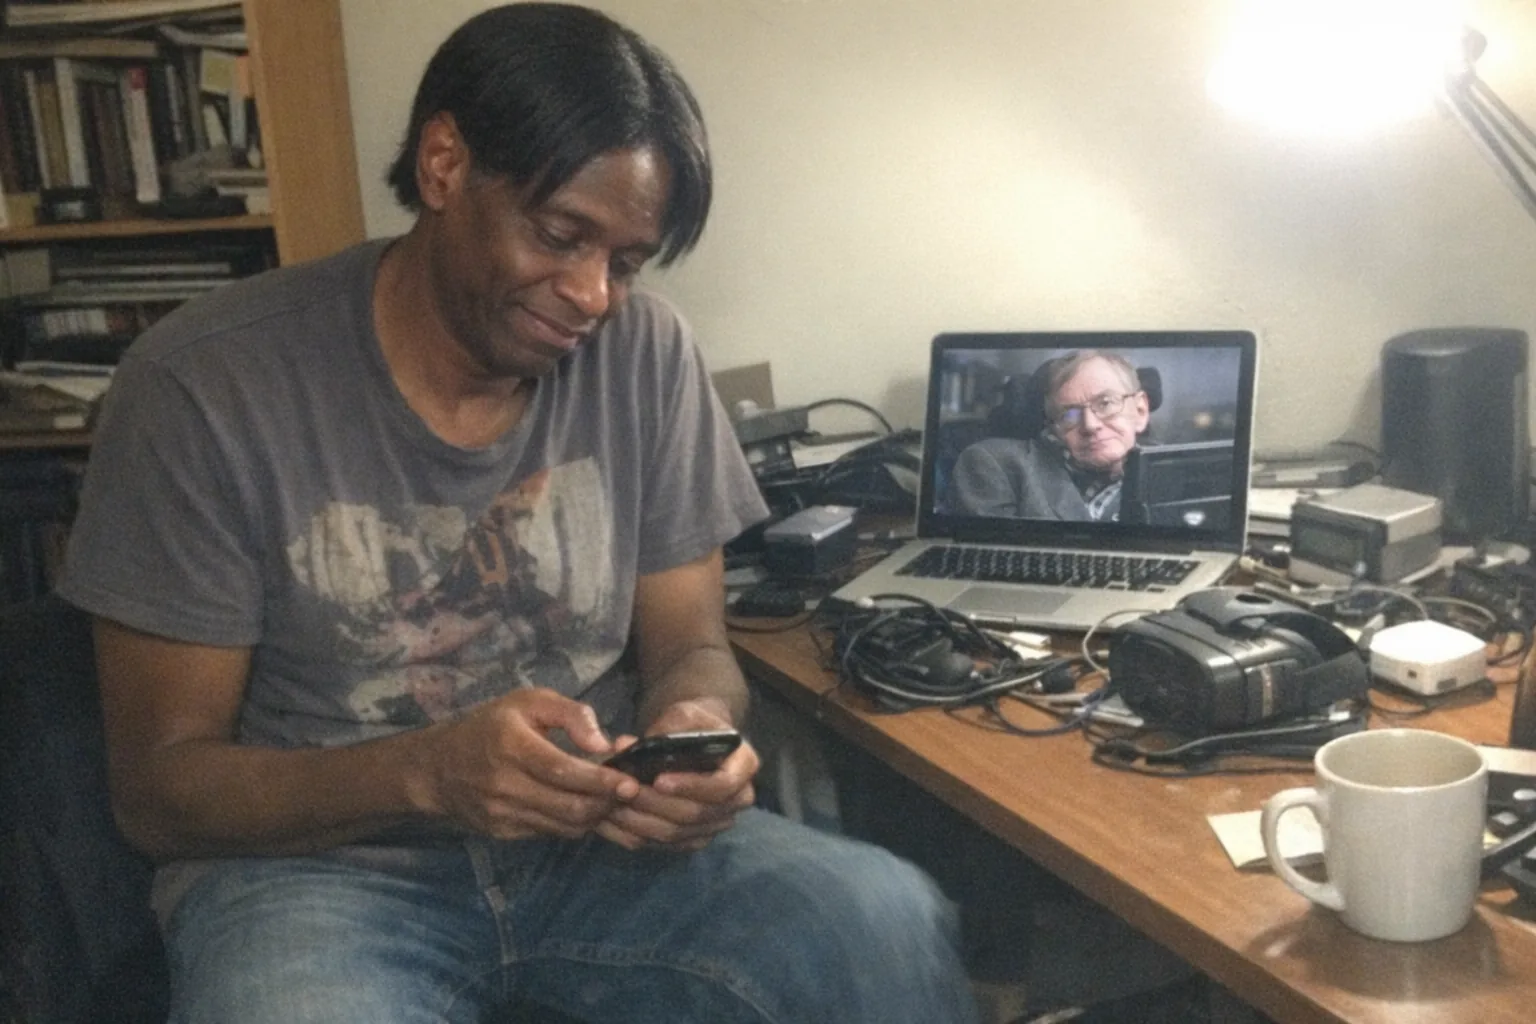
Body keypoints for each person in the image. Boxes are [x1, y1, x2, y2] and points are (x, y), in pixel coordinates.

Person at [57, 5, 979, 1022]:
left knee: (886, 920)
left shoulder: (648, 355)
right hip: (317, 876)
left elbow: (693, 646)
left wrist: (699, 728)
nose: (593, 296)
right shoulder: (204, 385)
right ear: (445, 165)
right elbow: (159, 791)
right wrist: (426, 773)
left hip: (603, 848)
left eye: (626, 262)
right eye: (560, 236)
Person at [946, 351, 1151, 521]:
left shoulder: (1176, 474)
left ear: (1141, 411)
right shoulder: (996, 464)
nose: (1090, 425)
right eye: (1070, 414)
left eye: (1105, 403)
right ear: (1054, 427)